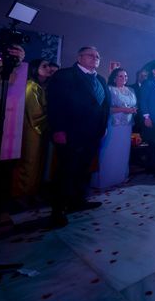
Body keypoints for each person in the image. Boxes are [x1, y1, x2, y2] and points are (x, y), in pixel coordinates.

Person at [47, 46, 110, 227]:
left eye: (98, 56)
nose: (95, 58)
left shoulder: (100, 79)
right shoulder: (64, 75)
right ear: (79, 56)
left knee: (84, 169)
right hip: (70, 132)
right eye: (91, 55)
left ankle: (77, 201)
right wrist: (58, 129)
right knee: (66, 171)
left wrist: (104, 126)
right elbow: (55, 104)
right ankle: (57, 210)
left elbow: (105, 105)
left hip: (93, 133)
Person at [11, 59, 51, 203]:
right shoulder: (31, 86)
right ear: (34, 69)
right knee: (30, 161)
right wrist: (54, 115)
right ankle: (22, 194)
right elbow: (35, 114)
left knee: (38, 162)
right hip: (31, 130)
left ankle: (32, 191)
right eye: (44, 66)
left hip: (39, 129)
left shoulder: (40, 86)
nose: (49, 69)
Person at [91, 67, 137, 189]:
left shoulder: (131, 90)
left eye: (126, 76)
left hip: (126, 126)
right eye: (121, 76)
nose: (124, 78)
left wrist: (133, 110)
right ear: (114, 78)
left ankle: (120, 176)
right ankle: (106, 179)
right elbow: (106, 108)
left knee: (123, 150)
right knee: (110, 150)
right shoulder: (110, 90)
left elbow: (134, 104)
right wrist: (123, 109)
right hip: (113, 125)